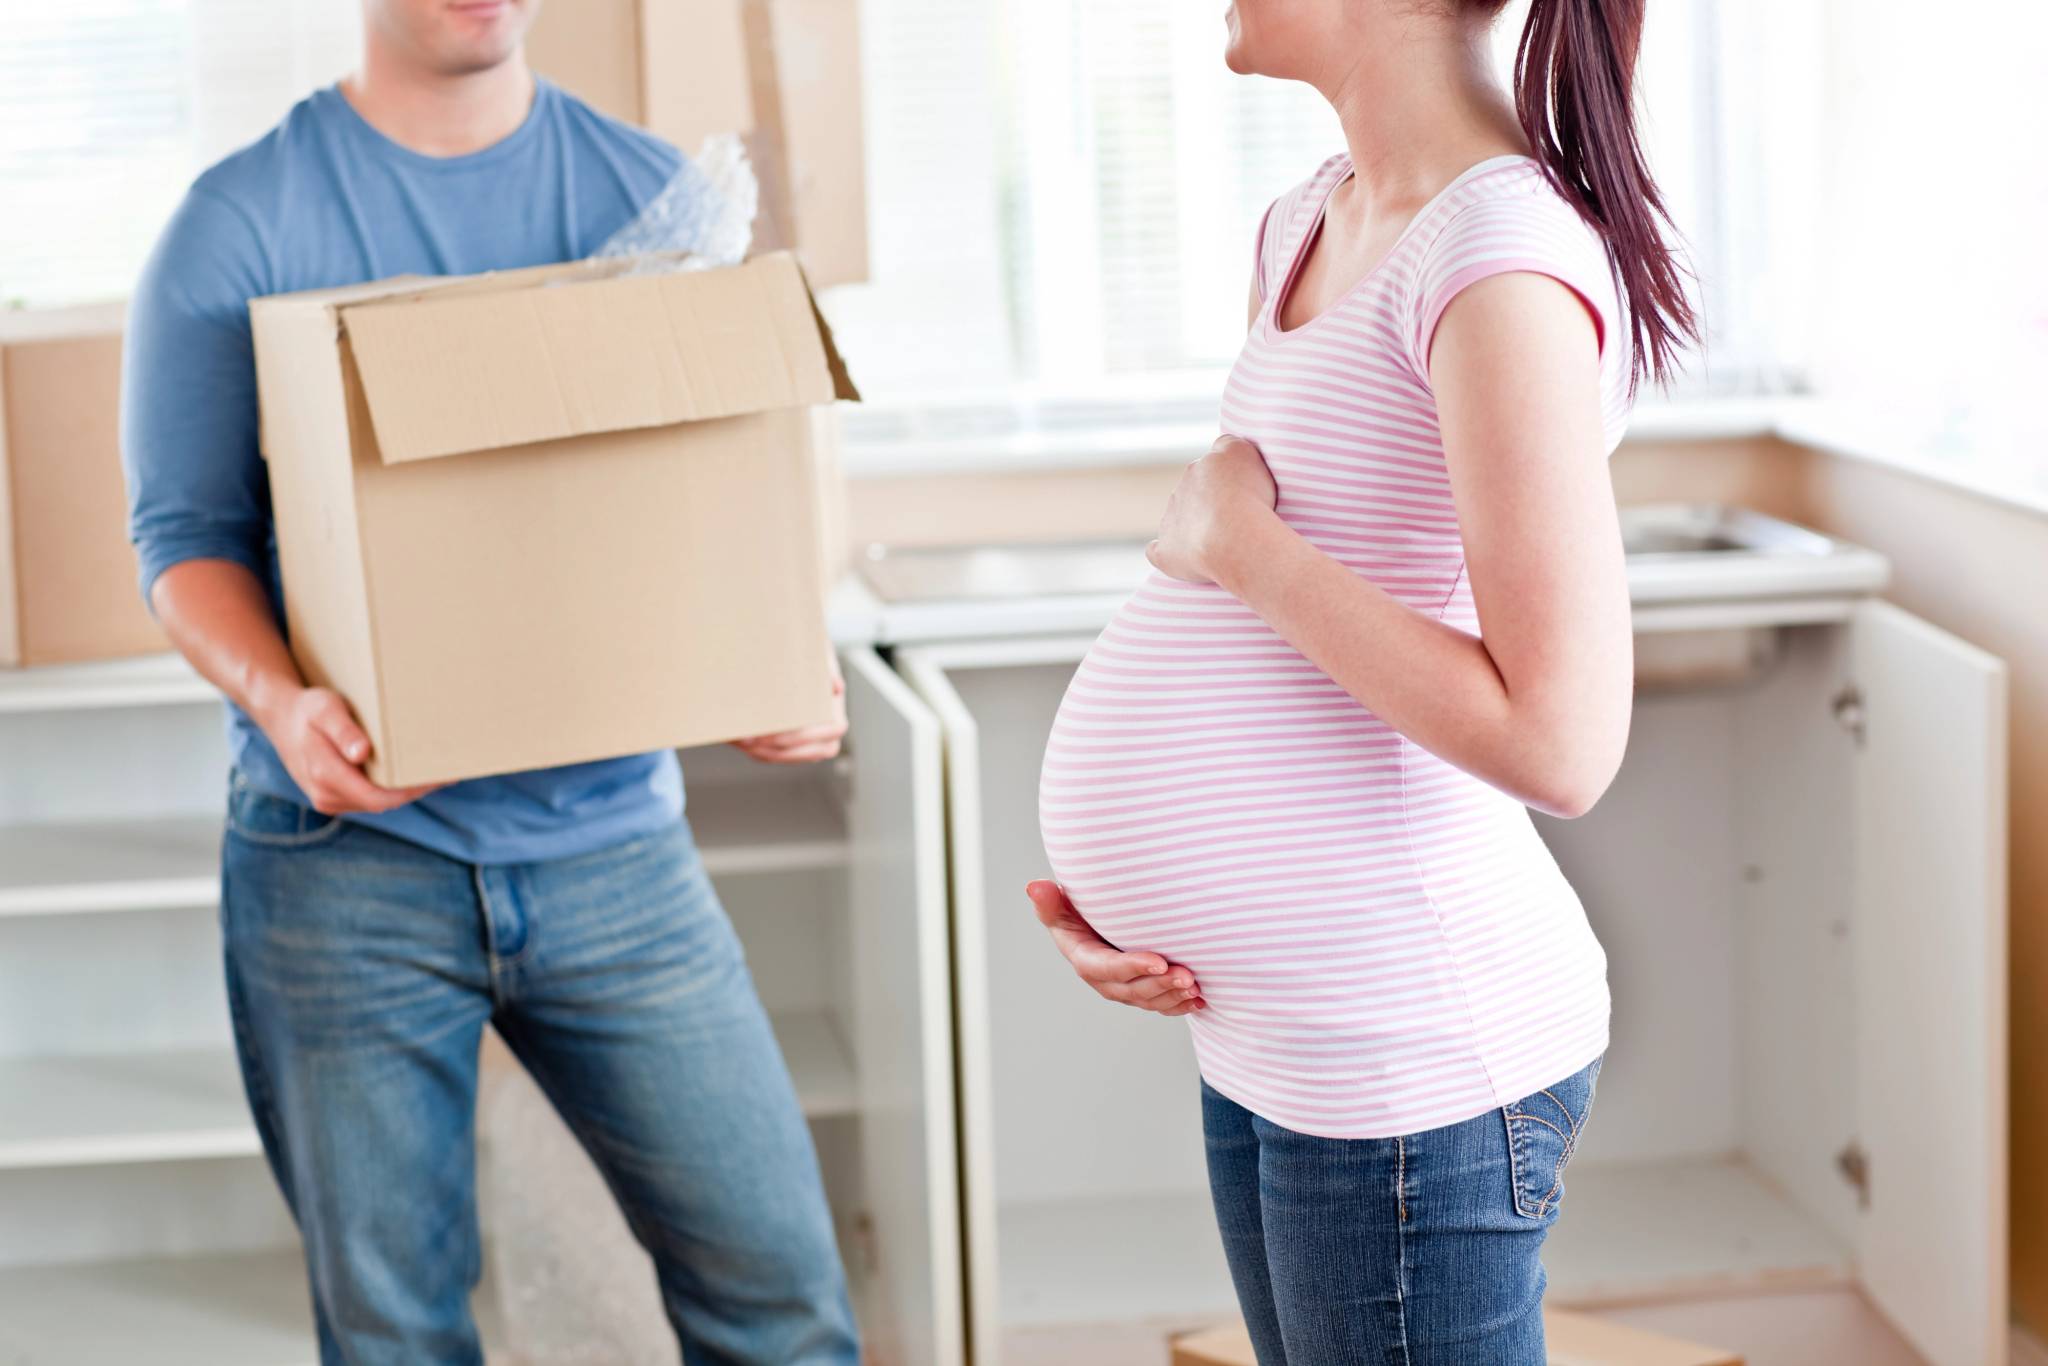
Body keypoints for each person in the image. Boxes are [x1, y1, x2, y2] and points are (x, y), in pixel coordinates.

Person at [121, 2, 859, 1362]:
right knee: (395, 1332)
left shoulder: (652, 200)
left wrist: (773, 651)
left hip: (613, 851)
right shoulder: (240, 221)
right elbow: (183, 538)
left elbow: (714, 499)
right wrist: (285, 703)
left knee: (783, 1305)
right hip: (346, 862)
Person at [1028, 0, 1696, 1360]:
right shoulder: (1313, 219)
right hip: (1279, 1037)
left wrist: (1243, 547)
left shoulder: (1497, 256)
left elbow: (1561, 738)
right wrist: (1147, 901)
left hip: (1410, 1065)